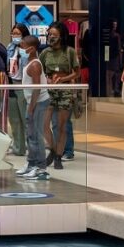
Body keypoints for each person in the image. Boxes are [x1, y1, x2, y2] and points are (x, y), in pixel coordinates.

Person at [39, 23, 79, 170]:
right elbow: (40, 71)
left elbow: (77, 72)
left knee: (62, 126)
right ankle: (53, 149)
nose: (51, 37)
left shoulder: (70, 52)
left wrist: (63, 79)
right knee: (44, 124)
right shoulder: (44, 53)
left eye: (54, 35)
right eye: (49, 34)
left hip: (64, 90)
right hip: (48, 90)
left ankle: (58, 157)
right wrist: (47, 80)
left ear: (61, 36)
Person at [14, 35, 51, 181]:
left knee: (36, 135)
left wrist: (31, 107)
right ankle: (31, 163)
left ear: (32, 49)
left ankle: (41, 168)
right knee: (30, 135)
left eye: (23, 46)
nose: (20, 48)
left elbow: (37, 88)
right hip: (32, 102)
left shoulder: (35, 65)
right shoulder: (28, 62)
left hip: (39, 103)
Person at [5, 24, 30, 156]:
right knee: (14, 119)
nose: (15, 36)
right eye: (13, 33)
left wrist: (23, 49)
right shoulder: (10, 47)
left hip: (23, 85)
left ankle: (32, 148)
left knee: (26, 119)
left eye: (17, 33)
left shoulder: (28, 49)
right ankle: (18, 148)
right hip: (11, 84)